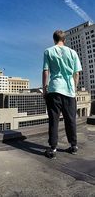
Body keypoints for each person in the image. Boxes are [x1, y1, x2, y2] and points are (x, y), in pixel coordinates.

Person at [42, 30, 82, 159]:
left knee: (54, 120)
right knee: (71, 119)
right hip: (69, 91)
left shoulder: (48, 51)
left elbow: (45, 71)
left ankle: (53, 149)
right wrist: (74, 89)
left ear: (54, 39)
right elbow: (76, 73)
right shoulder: (73, 53)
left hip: (54, 89)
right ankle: (74, 146)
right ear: (64, 40)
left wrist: (44, 88)